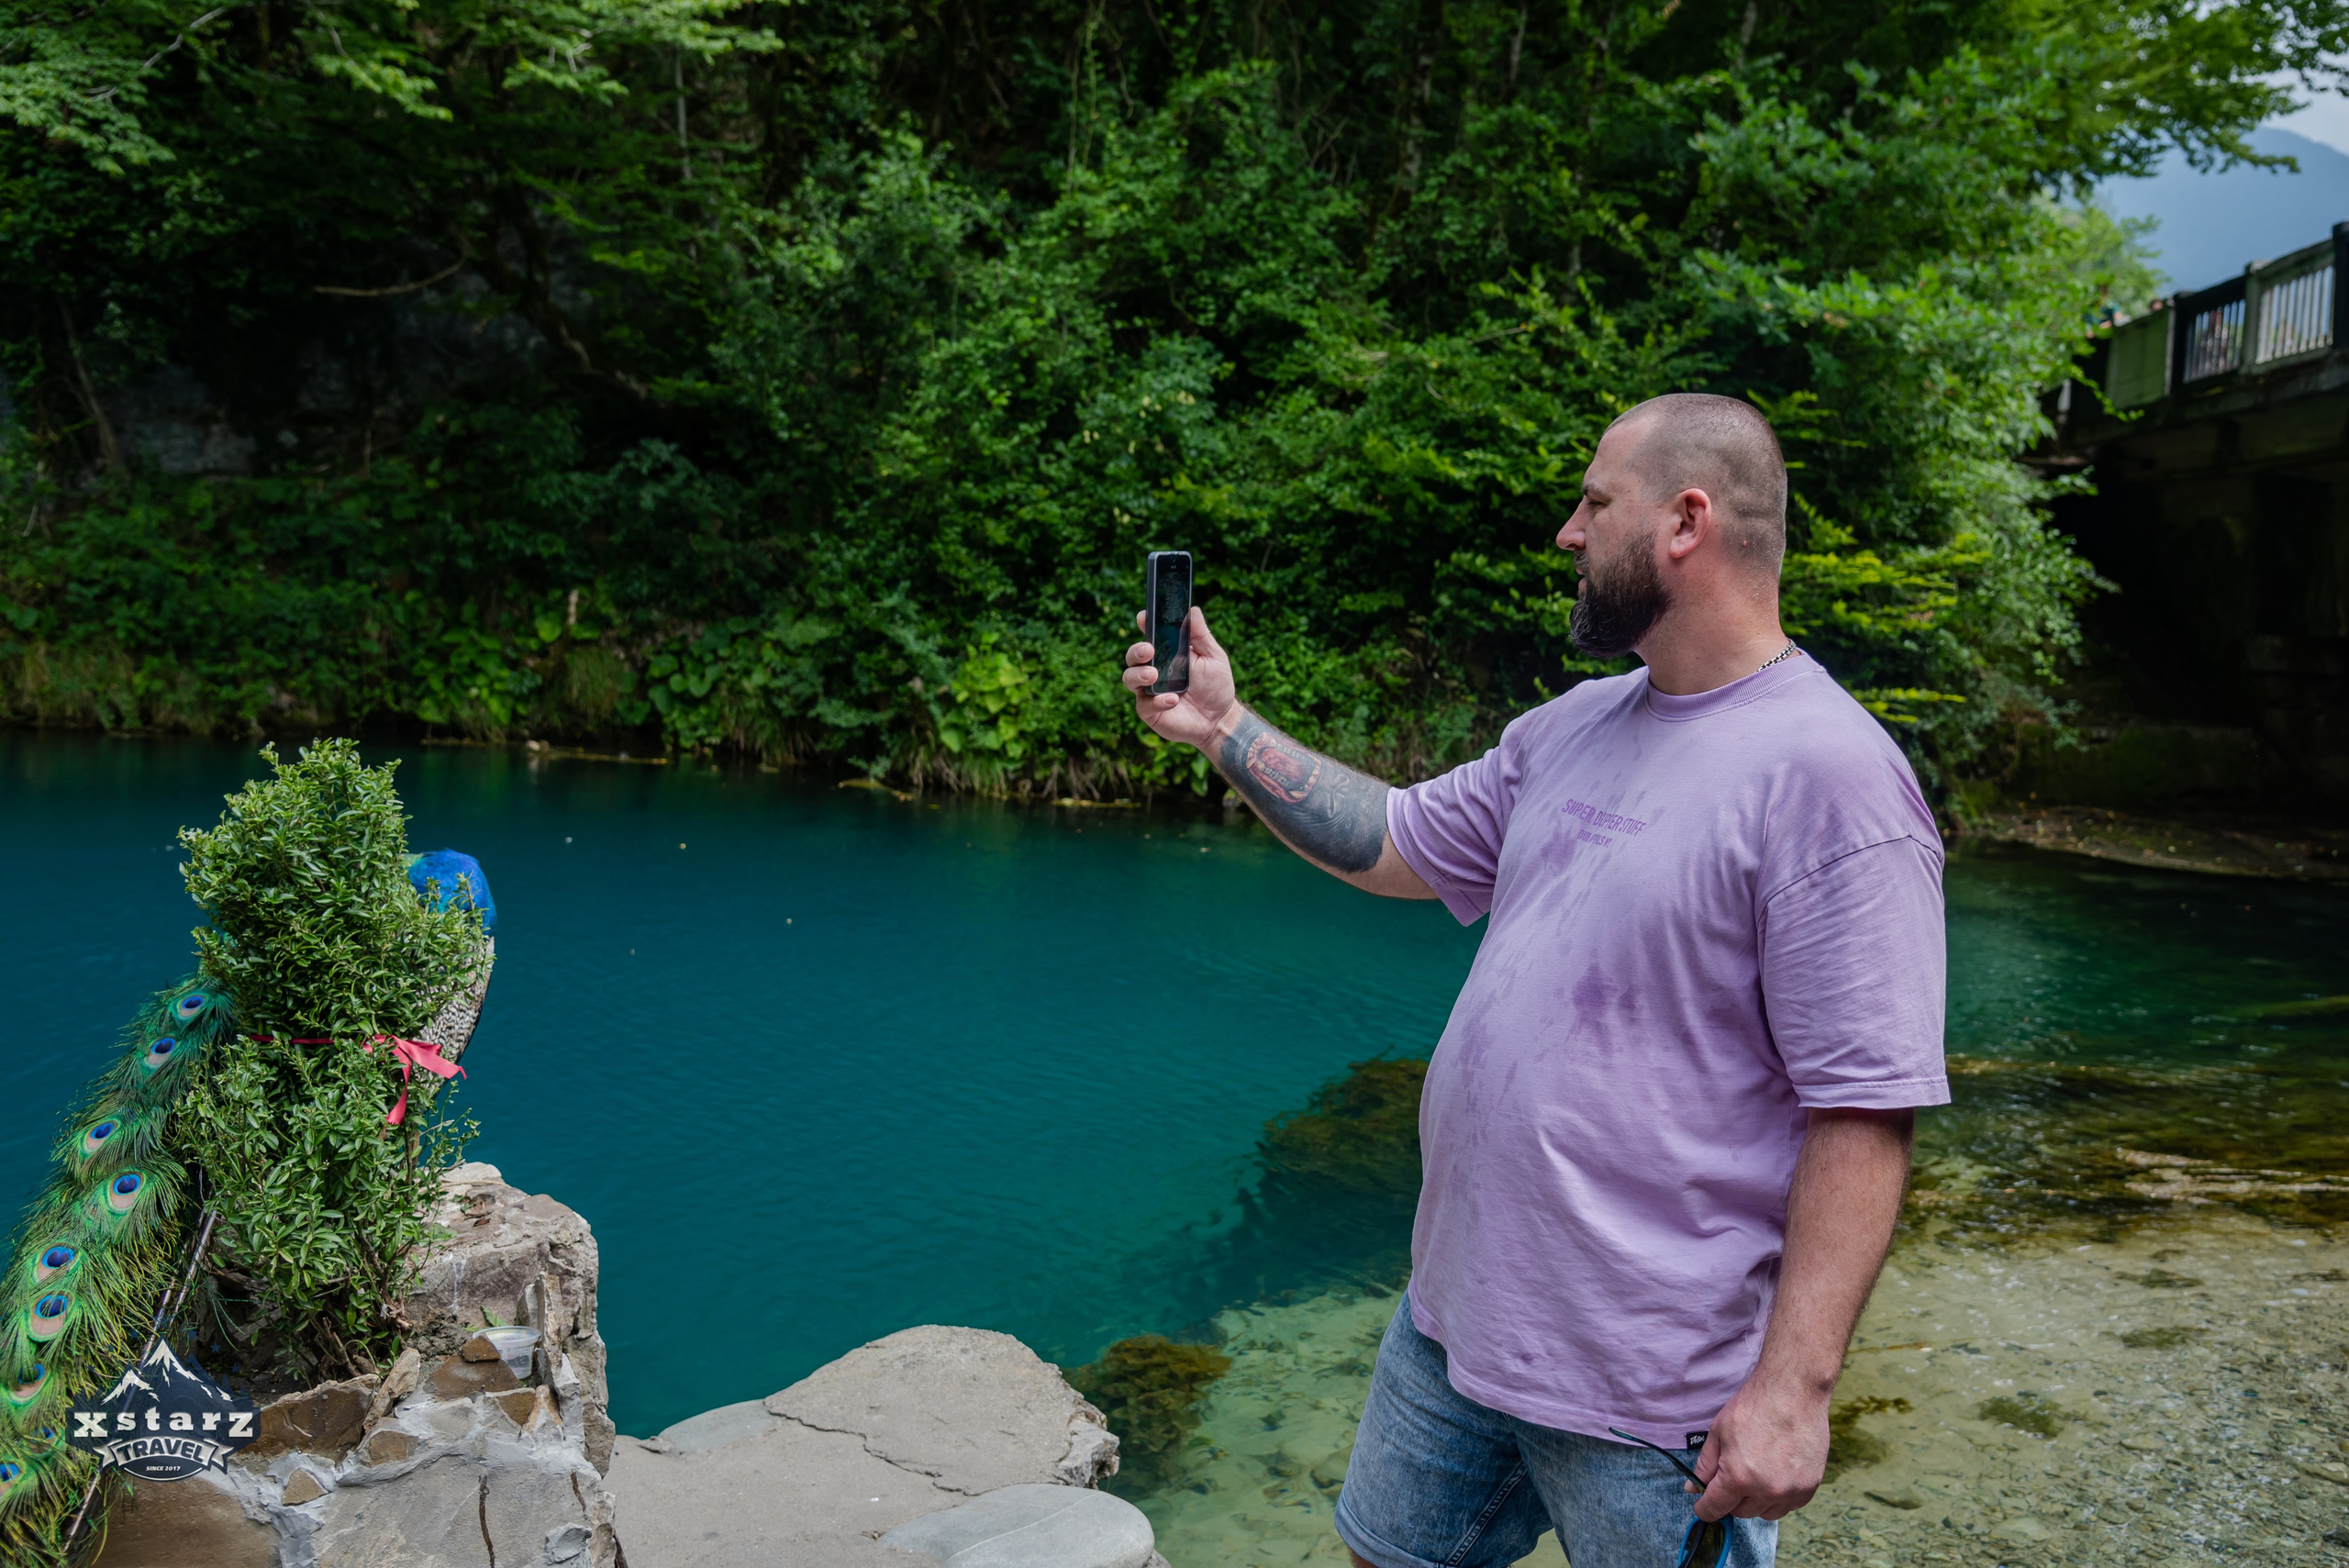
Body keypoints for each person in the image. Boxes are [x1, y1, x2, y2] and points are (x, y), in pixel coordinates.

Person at [1119, 393, 1946, 1568]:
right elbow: (1391, 839)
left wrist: (1794, 1390)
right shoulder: (1574, 725)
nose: (1568, 530)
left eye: (1595, 502)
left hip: (1650, 1392)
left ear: (1686, 522)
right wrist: (1223, 727)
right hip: (1453, 1329)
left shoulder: (1834, 779)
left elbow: (1862, 1106)